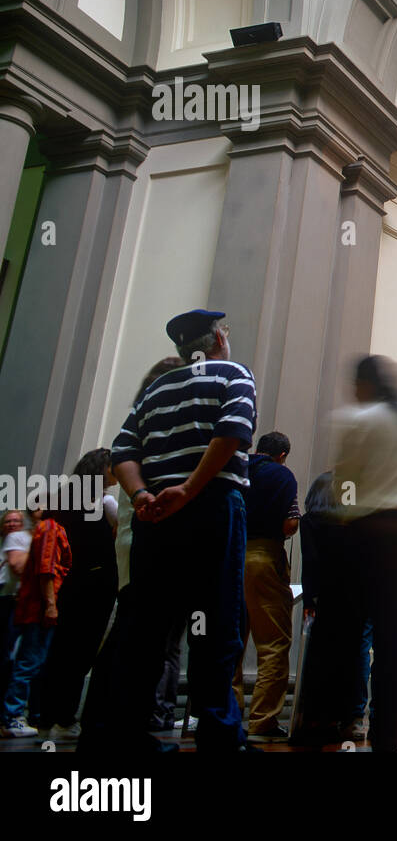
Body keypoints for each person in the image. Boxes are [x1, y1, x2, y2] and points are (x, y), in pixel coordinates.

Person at [105, 309, 257, 753]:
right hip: (211, 509)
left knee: (149, 628)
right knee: (215, 625)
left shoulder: (155, 388)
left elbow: (122, 451)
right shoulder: (233, 373)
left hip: (157, 517)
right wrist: (190, 488)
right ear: (219, 340)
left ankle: (131, 734)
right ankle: (217, 732)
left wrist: (140, 496)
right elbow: (232, 432)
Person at [305, 355, 397, 753]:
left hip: (362, 537)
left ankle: (326, 722)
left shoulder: (358, 419)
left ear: (365, 385)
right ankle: (388, 734)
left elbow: (345, 484)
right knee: (390, 642)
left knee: (343, 636)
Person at [79, 359, 189, 745]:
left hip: (138, 542)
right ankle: (118, 727)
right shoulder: (151, 424)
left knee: (133, 636)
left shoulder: (141, 423)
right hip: (143, 542)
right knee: (137, 639)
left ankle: (107, 725)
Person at [33, 449, 118, 740]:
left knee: (59, 650)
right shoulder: (103, 501)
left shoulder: (63, 497)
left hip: (67, 581)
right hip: (95, 583)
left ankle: (44, 713)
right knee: (80, 653)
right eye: (112, 466)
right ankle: (65, 716)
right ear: (102, 469)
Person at [297, 470, 372, 744]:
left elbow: (311, 563)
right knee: (355, 655)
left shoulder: (310, 522)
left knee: (321, 656)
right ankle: (349, 718)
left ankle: (316, 717)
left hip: (325, 597)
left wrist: (309, 600)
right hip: (354, 595)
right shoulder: (351, 522)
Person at [234, 431, 299, 742]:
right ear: (283, 455)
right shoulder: (282, 476)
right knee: (274, 642)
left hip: (230, 556)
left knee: (231, 641)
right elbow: (290, 524)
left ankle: (228, 715)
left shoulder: (236, 467)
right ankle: (262, 721)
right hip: (263, 556)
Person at [1, 506, 70, 737]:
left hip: (31, 605)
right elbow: (45, 569)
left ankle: (19, 715)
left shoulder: (43, 531)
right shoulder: (49, 530)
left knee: (29, 662)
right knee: (27, 661)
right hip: (34, 607)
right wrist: (51, 605)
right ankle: (12, 716)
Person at [1, 510, 31, 699]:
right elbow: (17, 566)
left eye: (16, 521)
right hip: (6, 599)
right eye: (8, 521)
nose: (11, 524)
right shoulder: (16, 541)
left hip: (15, 598)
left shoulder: (21, 540)